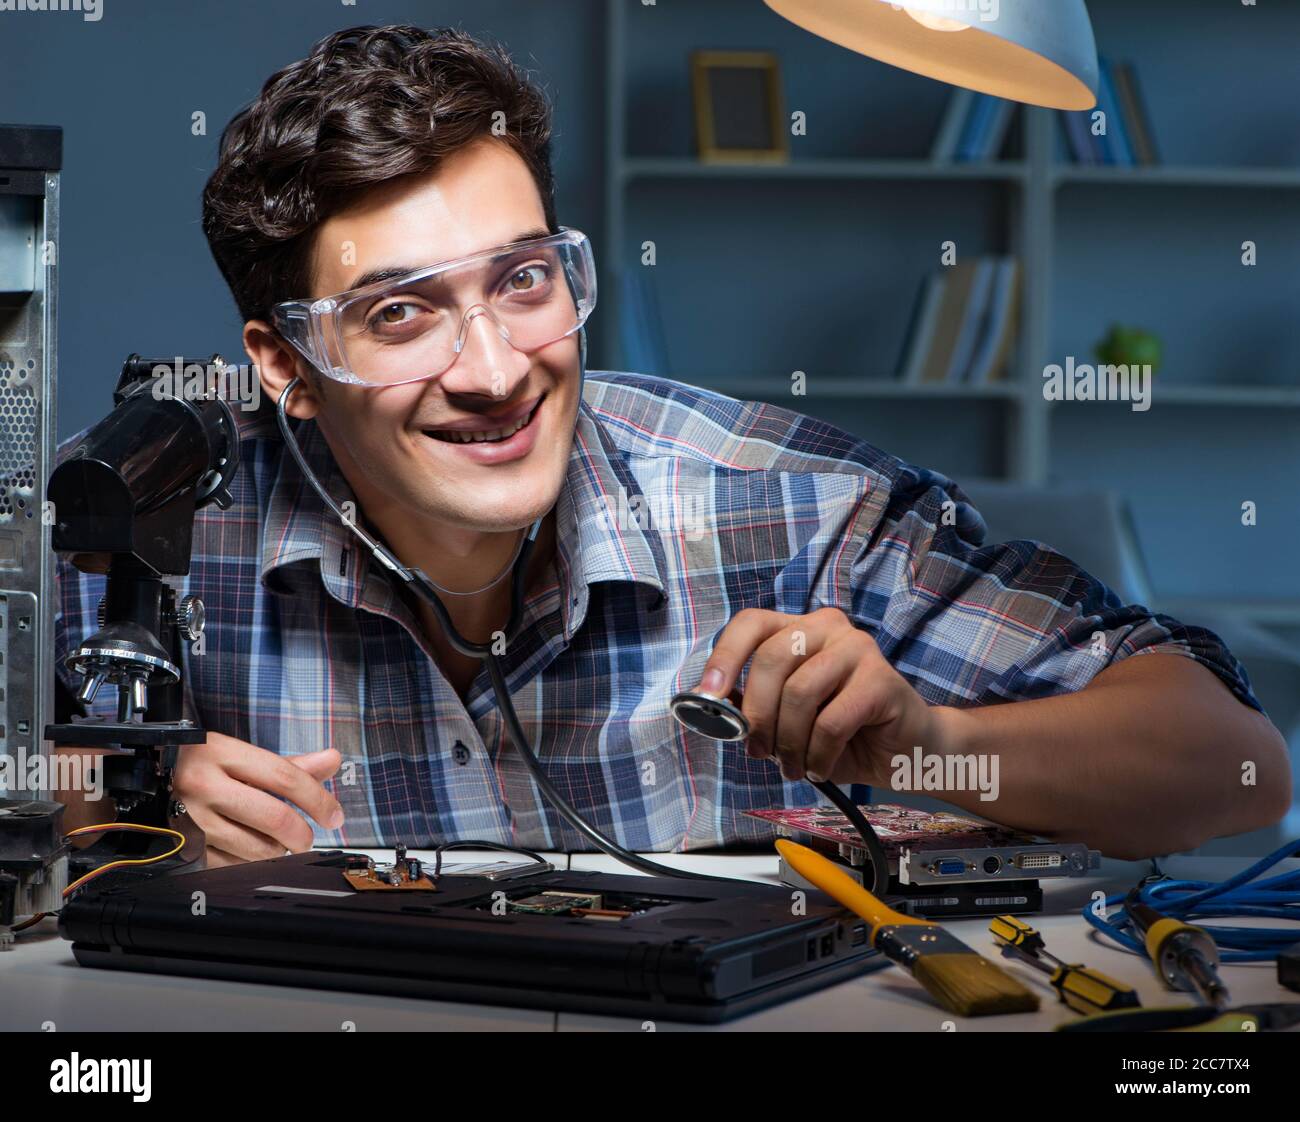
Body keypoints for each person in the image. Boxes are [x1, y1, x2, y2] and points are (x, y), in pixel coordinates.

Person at [54, 25, 1290, 867]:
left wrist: (933, 747)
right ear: (284, 368)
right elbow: (46, 789)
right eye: (399, 314)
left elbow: (1237, 773)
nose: (492, 371)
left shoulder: (792, 505)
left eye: (525, 280)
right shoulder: (145, 526)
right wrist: (107, 812)